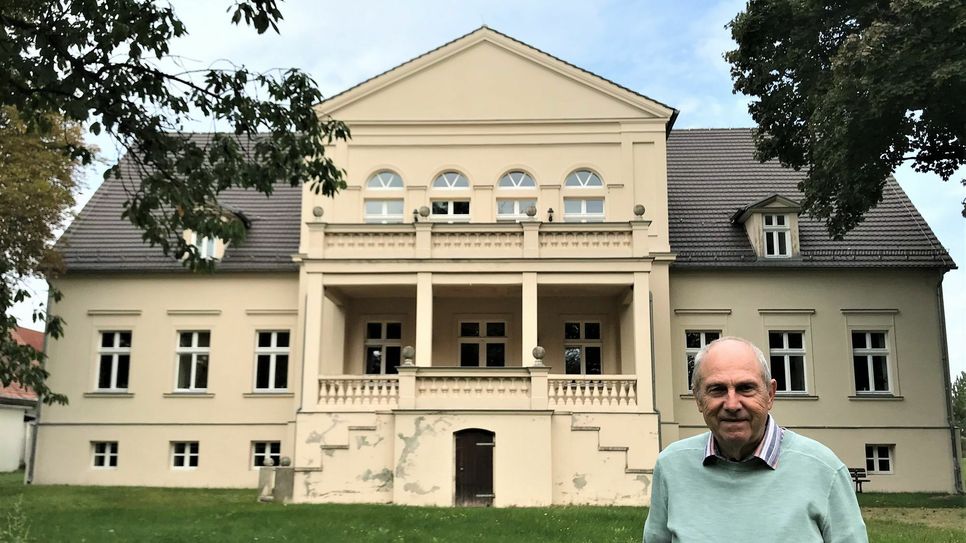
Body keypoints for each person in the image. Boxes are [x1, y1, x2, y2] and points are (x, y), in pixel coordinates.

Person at [643, 336, 868, 542]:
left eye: (746, 388)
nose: (732, 404)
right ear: (698, 399)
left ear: (770, 394)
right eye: (717, 389)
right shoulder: (672, 467)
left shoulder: (824, 469)